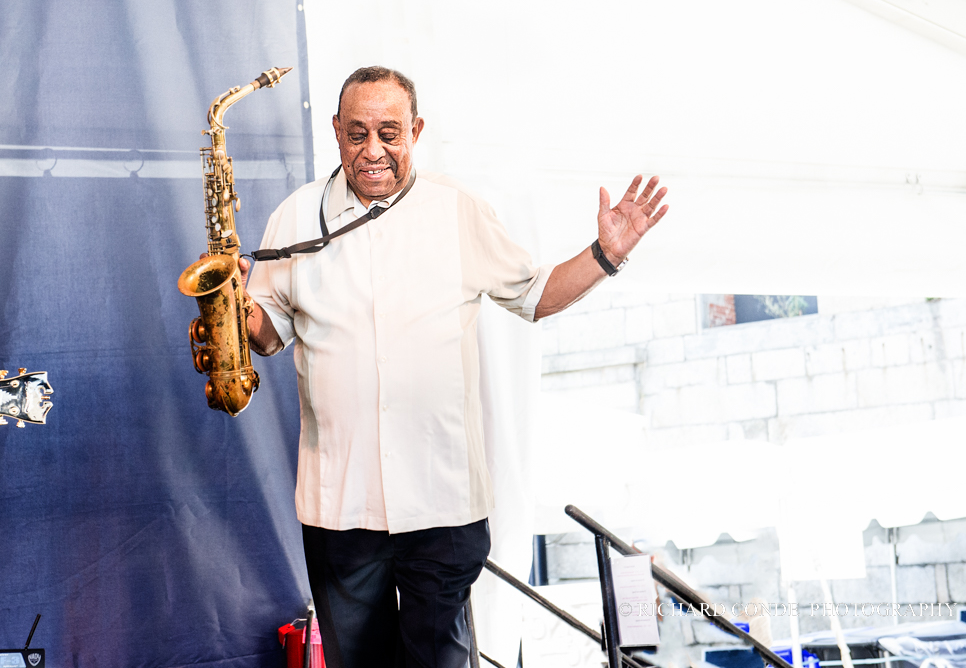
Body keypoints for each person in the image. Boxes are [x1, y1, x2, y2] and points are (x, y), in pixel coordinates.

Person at [243, 66, 668, 668]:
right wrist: (238, 310)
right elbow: (268, 335)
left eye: (389, 133)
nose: (373, 150)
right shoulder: (294, 216)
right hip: (339, 508)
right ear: (336, 132)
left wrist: (606, 253)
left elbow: (535, 294)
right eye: (358, 132)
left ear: (416, 131)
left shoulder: (458, 210)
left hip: (441, 505)